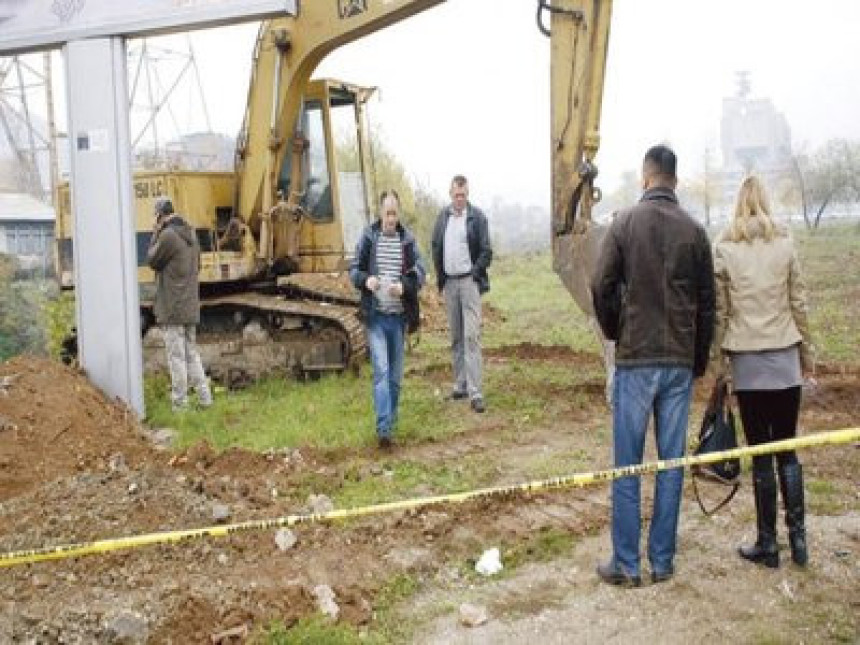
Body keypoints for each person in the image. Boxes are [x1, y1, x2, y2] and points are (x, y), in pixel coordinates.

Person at [591, 145, 715, 587]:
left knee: (627, 462)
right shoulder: (695, 232)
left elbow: (600, 283)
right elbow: (707, 304)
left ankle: (626, 563)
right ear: (674, 181)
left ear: (646, 178)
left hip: (636, 357)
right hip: (678, 360)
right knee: (671, 463)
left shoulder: (624, 222)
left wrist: (615, 331)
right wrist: (696, 360)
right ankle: (661, 561)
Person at [713, 176, 815, 568]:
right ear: (766, 202)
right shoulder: (785, 243)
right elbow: (799, 302)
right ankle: (800, 542)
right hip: (785, 356)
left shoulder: (725, 248)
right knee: (787, 449)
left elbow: (721, 312)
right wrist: (806, 353)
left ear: (737, 204)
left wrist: (719, 364)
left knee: (760, 455)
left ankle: (768, 544)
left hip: (748, 360)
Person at [350, 190, 425, 449]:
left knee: (394, 378)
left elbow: (421, 272)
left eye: (395, 213)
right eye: (387, 213)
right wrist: (366, 280)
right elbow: (354, 270)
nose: (391, 218)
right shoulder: (369, 238)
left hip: (399, 319)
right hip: (376, 317)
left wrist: (404, 287)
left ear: (398, 214)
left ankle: (390, 422)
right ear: (380, 213)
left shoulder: (408, 240)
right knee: (381, 371)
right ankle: (383, 429)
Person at [431, 175, 492, 413]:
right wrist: (441, 279)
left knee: (471, 337)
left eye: (463, 195)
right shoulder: (442, 218)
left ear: (468, 194)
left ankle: (476, 393)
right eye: (456, 195)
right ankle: (460, 385)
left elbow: (487, 251)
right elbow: (435, 246)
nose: (460, 199)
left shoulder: (477, 218)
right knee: (456, 337)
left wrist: (475, 274)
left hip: (469, 283)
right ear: (450, 194)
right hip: (450, 284)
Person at [146, 196, 212, 411]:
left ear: (159, 214)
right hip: (190, 304)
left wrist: (155, 232)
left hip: (172, 306)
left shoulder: (167, 236)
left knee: (176, 357)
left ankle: (180, 405)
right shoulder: (191, 234)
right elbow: (198, 266)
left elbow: (152, 260)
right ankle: (205, 399)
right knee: (191, 353)